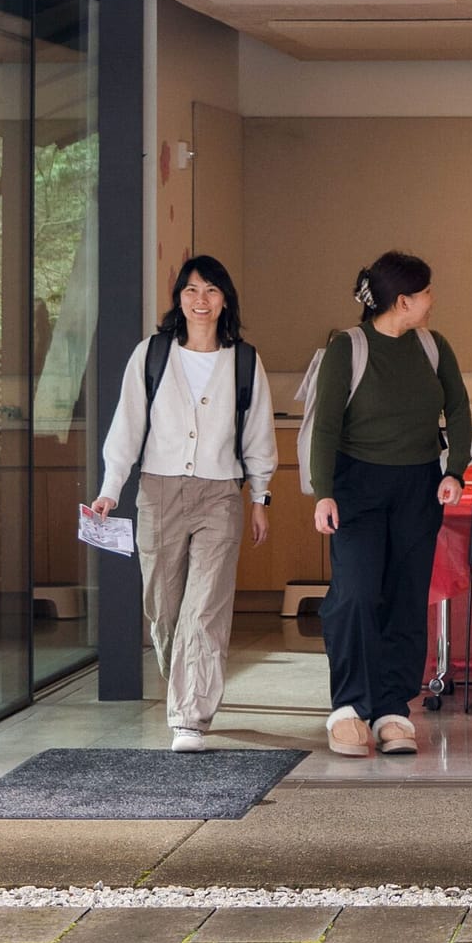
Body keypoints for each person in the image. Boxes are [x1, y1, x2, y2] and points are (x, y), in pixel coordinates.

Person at [94, 256, 276, 754]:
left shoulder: (244, 360)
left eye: (212, 290)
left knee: (205, 609)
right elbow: (127, 425)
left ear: (225, 300)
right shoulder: (151, 355)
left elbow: (258, 434)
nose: (201, 300)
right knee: (164, 608)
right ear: (179, 298)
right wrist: (112, 488)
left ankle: (189, 716)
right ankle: (188, 689)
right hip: (157, 492)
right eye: (192, 290)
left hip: (221, 495)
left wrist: (260, 497)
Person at [308, 251, 472, 758]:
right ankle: (348, 708)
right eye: (426, 292)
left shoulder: (433, 346)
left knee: (405, 597)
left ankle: (392, 709)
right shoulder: (348, 349)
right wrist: (323, 491)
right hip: (357, 486)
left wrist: (455, 471)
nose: (432, 299)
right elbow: (326, 426)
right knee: (356, 593)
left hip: (418, 487)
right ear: (404, 301)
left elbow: (460, 408)